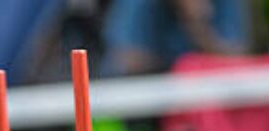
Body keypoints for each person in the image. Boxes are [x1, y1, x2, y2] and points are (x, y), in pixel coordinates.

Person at [102, 0, 250, 76]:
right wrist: (181, 70)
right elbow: (123, 61)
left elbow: (237, 60)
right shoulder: (139, 4)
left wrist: (197, 24)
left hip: (213, 107)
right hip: (154, 113)